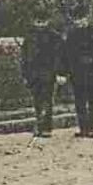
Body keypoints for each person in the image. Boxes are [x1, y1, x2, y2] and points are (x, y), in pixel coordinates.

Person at [62, 5, 93, 138]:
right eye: (77, 19)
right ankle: (83, 128)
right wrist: (66, 71)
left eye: (82, 19)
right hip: (77, 71)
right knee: (80, 101)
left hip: (92, 69)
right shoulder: (71, 35)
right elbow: (66, 54)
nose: (80, 22)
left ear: (87, 18)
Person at [20, 12, 64, 141]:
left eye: (43, 21)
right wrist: (25, 74)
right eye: (38, 21)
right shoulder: (29, 37)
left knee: (47, 100)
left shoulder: (54, 37)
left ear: (48, 21)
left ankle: (45, 127)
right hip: (34, 74)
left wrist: (60, 73)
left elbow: (59, 57)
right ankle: (40, 125)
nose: (40, 24)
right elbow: (24, 58)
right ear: (34, 22)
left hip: (48, 73)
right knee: (37, 101)